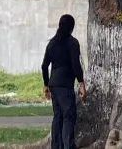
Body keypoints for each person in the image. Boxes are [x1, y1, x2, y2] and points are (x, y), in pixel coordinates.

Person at [42, 14, 86, 149]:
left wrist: (46, 84)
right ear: (71, 27)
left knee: (58, 116)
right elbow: (75, 65)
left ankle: (56, 145)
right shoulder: (72, 43)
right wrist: (81, 83)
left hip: (53, 84)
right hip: (65, 84)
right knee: (69, 116)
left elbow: (44, 66)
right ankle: (68, 145)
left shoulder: (52, 43)